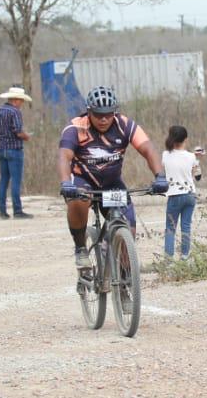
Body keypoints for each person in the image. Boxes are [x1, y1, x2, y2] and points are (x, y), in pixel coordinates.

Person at [57, 87, 169, 271]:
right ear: (89, 111)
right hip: (83, 182)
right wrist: (65, 182)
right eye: (98, 114)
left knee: (129, 231)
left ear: (115, 112)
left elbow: (148, 149)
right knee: (78, 200)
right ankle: (81, 248)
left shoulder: (124, 125)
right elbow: (64, 157)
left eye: (108, 114)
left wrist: (160, 176)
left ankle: (125, 281)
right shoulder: (75, 128)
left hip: (111, 185)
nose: (103, 119)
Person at [0, 86, 34, 220]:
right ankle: (17, 210)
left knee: (3, 180)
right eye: (21, 101)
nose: (21, 103)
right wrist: (26, 136)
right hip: (14, 149)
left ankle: (2, 211)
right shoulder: (15, 112)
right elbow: (17, 131)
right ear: (16, 100)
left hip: (1, 148)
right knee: (16, 180)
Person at [160, 125, 201, 259]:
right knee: (186, 226)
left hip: (174, 195)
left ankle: (169, 258)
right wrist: (197, 159)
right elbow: (197, 177)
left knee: (170, 228)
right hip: (190, 195)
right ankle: (184, 256)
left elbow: (164, 170)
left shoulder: (165, 155)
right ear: (186, 139)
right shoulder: (191, 156)